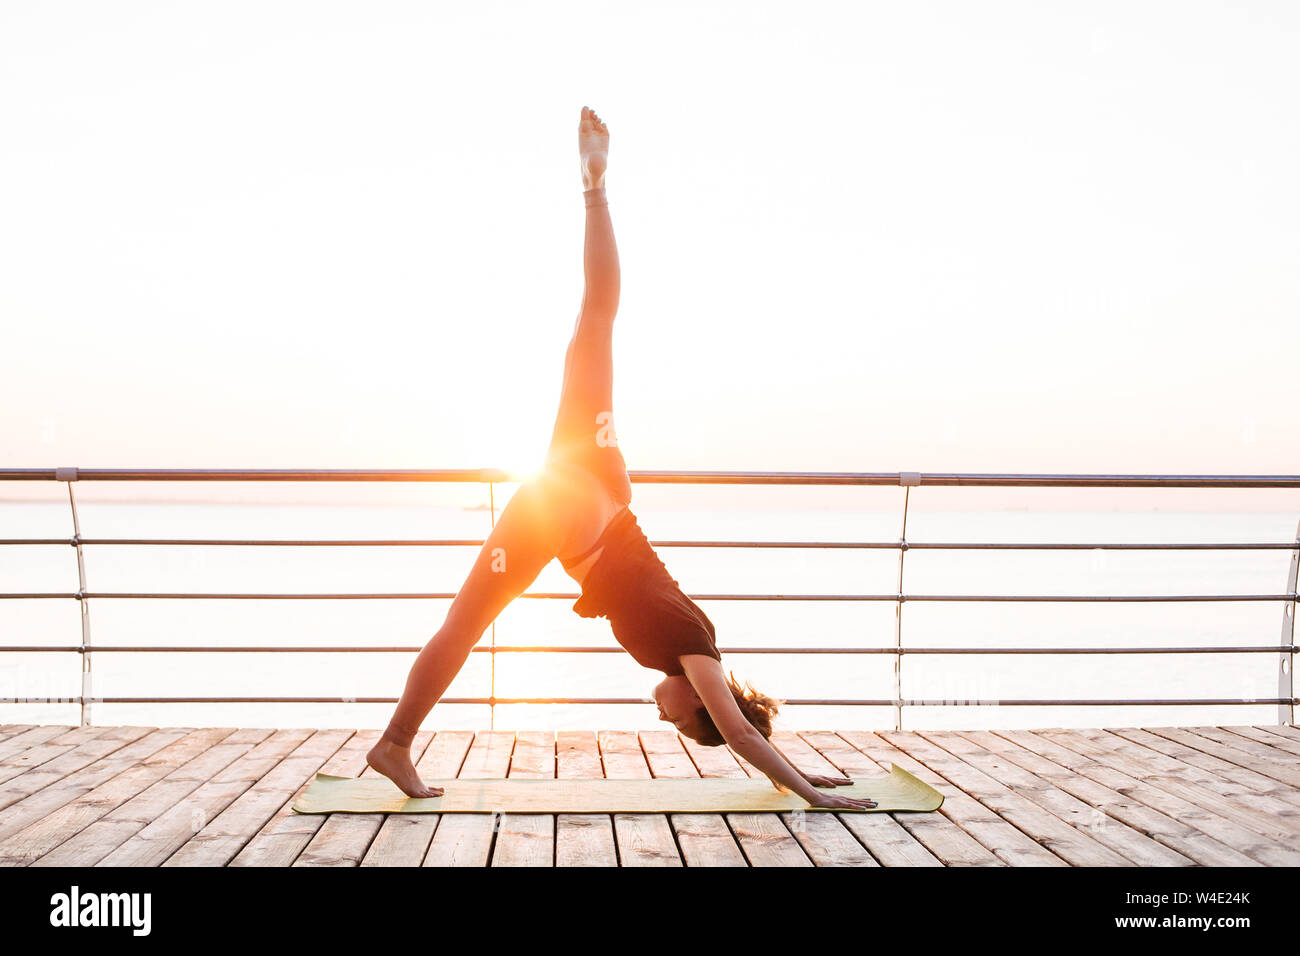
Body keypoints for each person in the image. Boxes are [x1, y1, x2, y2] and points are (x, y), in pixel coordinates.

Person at [366, 107, 875, 810]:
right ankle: (392, 743)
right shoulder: (698, 655)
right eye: (683, 722)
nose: (664, 716)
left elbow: (749, 734)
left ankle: (594, 188)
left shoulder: (694, 646)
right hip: (572, 512)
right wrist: (814, 796)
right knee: (464, 623)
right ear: (701, 703)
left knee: (595, 323)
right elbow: (744, 736)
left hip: (592, 487)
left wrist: (793, 765)